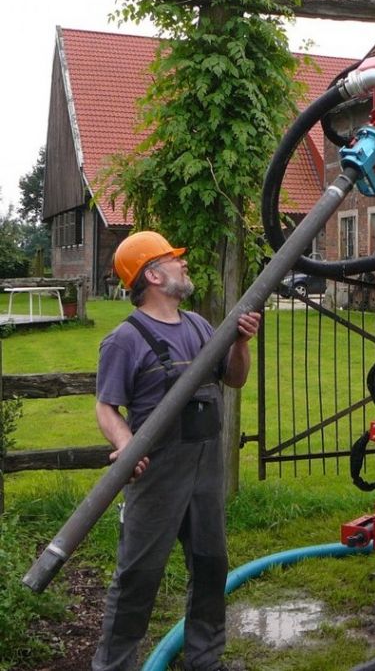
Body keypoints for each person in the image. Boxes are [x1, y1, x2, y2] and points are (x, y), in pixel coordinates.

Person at [92, 231, 261, 671]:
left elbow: (235, 379)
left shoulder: (200, 326)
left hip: (205, 468)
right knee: (137, 577)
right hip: (158, 474)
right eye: (173, 259)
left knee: (211, 567)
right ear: (152, 275)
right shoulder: (125, 339)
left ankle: (205, 660)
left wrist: (241, 343)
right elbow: (106, 407)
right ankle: (113, 667)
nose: (183, 263)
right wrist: (126, 444)